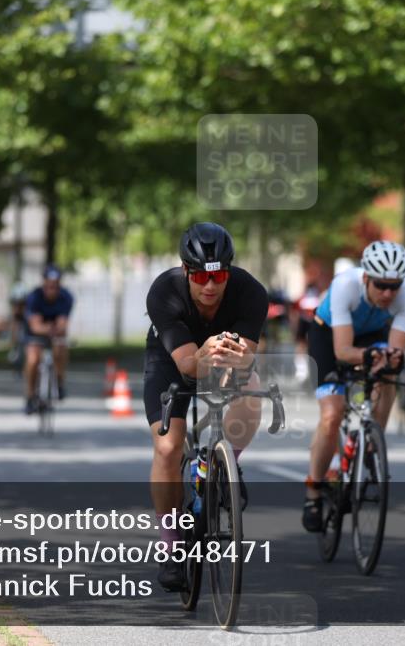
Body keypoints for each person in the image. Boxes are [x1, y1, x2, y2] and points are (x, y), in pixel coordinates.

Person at [144, 222, 268, 592]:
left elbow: (245, 361)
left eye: (219, 276)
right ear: (186, 271)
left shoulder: (250, 293)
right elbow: (187, 367)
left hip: (226, 359)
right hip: (174, 359)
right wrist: (204, 352)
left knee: (253, 389)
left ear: (230, 271)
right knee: (167, 446)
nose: (210, 286)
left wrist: (231, 361)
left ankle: (226, 462)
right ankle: (170, 548)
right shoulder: (164, 292)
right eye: (200, 276)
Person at [301, 240, 405, 532]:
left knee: (387, 379)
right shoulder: (345, 286)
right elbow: (342, 351)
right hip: (328, 338)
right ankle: (313, 492)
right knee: (332, 415)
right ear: (366, 278)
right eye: (381, 286)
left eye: (395, 286)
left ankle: (373, 442)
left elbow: (397, 353)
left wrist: (388, 360)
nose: (389, 293)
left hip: (370, 335)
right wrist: (369, 357)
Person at [23, 265, 74, 414]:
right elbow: (35, 326)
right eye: (49, 285)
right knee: (33, 359)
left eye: (56, 285)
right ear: (44, 283)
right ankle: (30, 396)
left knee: (61, 348)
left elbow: (63, 324)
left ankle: (59, 381)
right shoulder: (34, 297)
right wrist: (49, 328)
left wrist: (56, 329)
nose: (52, 289)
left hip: (54, 330)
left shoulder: (66, 297)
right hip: (35, 331)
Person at [7, 281, 29, 370]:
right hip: (17, 319)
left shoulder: (27, 305)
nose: (18, 307)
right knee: (14, 326)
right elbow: (14, 315)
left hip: (25, 319)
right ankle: (14, 348)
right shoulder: (14, 303)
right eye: (15, 304)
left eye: (21, 303)